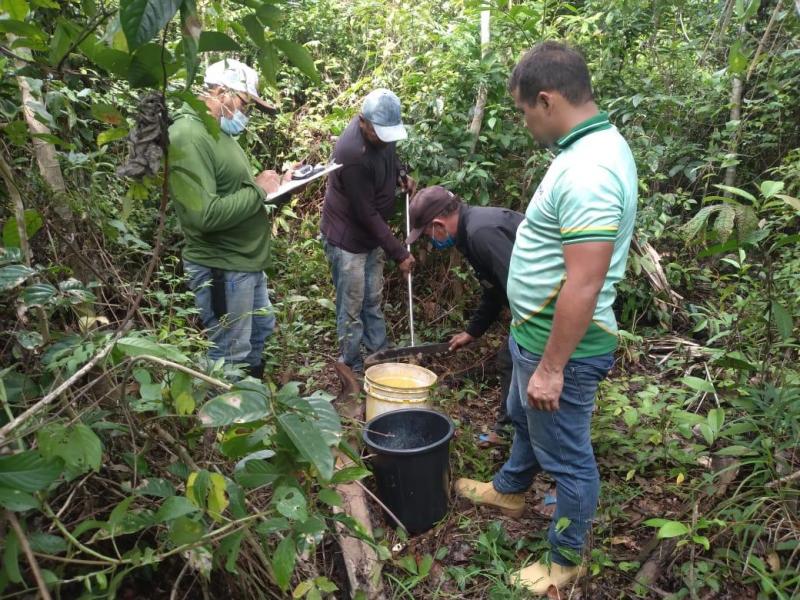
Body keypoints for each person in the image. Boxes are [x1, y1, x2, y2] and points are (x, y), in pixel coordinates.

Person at [455, 42, 638, 594]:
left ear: (547, 99)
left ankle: (563, 564)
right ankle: (510, 489)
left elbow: (584, 281)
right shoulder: (584, 148)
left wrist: (552, 367)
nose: (524, 121)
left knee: (570, 460)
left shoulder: (590, 172)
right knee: (526, 419)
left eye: (522, 111)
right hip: (535, 336)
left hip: (563, 351)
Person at [169, 58, 294, 379]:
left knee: (260, 330)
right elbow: (202, 215)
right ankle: (228, 421)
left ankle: (252, 406)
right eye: (244, 103)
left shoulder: (216, 133)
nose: (245, 114)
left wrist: (274, 186)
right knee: (229, 354)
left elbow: (230, 192)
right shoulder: (188, 134)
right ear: (221, 92)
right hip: (223, 267)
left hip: (245, 263)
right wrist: (258, 192)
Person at [406, 185, 523, 443]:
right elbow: (494, 290)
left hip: (552, 306)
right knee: (510, 359)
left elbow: (521, 289)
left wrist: (529, 333)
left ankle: (513, 432)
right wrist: (472, 332)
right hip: (540, 305)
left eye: (426, 233)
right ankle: (513, 432)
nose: (430, 239)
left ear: (438, 224)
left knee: (513, 359)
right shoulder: (470, 233)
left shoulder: (481, 233)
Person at [320, 88, 416, 374]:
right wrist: (399, 253)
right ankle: (352, 367)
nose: (384, 139)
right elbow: (365, 214)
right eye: (378, 134)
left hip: (373, 236)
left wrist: (401, 175)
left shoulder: (381, 133)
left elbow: (389, 155)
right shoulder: (352, 153)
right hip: (348, 239)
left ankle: (379, 356)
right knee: (352, 305)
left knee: (372, 298)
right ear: (363, 121)